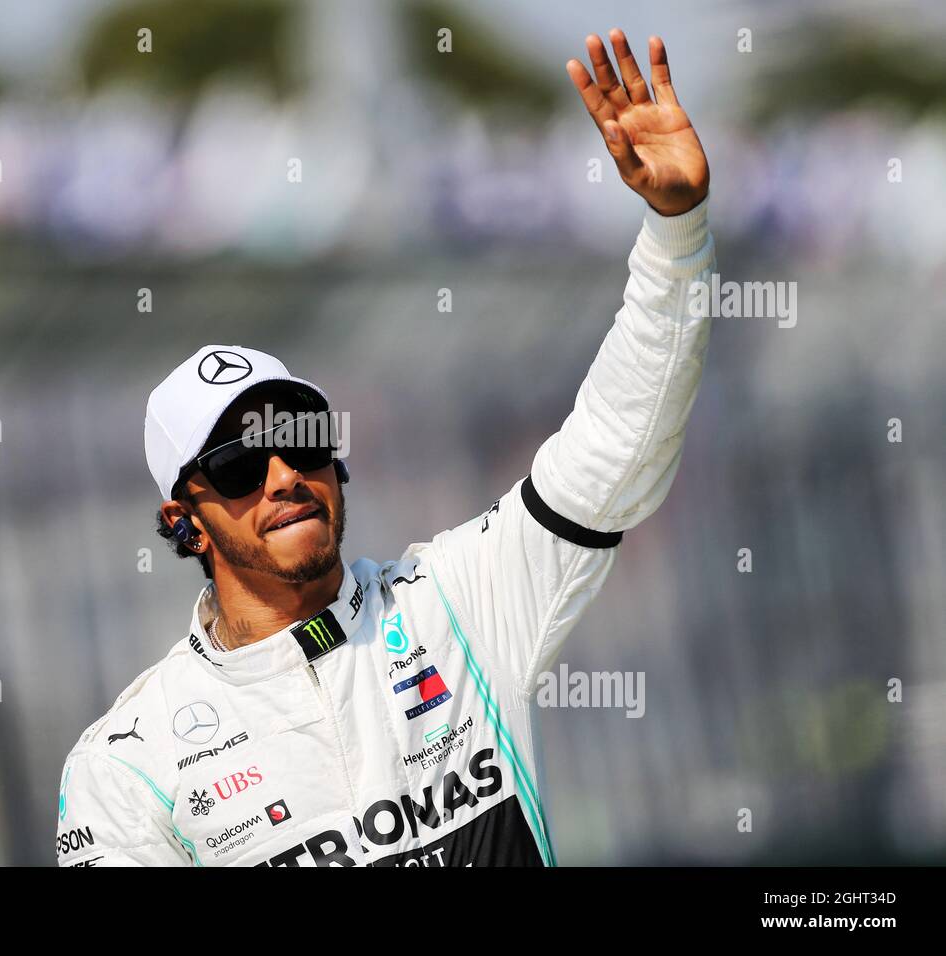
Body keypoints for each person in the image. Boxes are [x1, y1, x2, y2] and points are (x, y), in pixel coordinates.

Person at [56, 29, 713, 866]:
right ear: (183, 519)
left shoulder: (456, 603)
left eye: (303, 438)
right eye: (237, 463)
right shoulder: (125, 768)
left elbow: (619, 445)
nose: (285, 474)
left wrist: (677, 230)